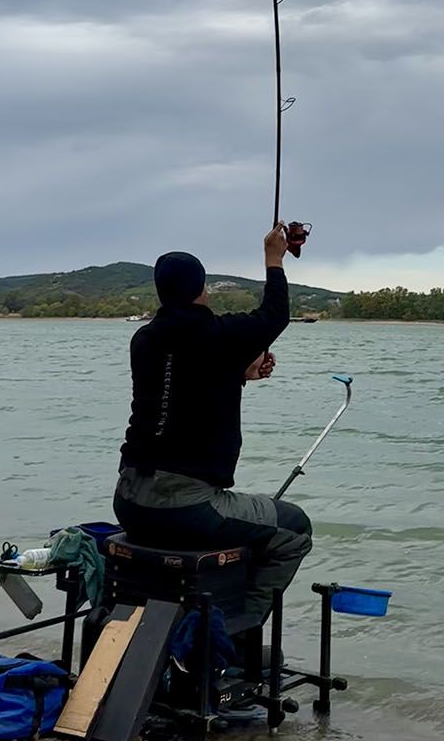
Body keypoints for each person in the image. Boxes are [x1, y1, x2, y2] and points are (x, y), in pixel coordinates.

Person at [115, 224, 312, 629]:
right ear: (202, 288)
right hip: (187, 509)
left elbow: (177, 386)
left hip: (129, 501)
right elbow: (275, 315)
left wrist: (239, 372)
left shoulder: (144, 340)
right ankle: (240, 631)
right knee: (294, 528)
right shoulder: (218, 333)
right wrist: (273, 259)